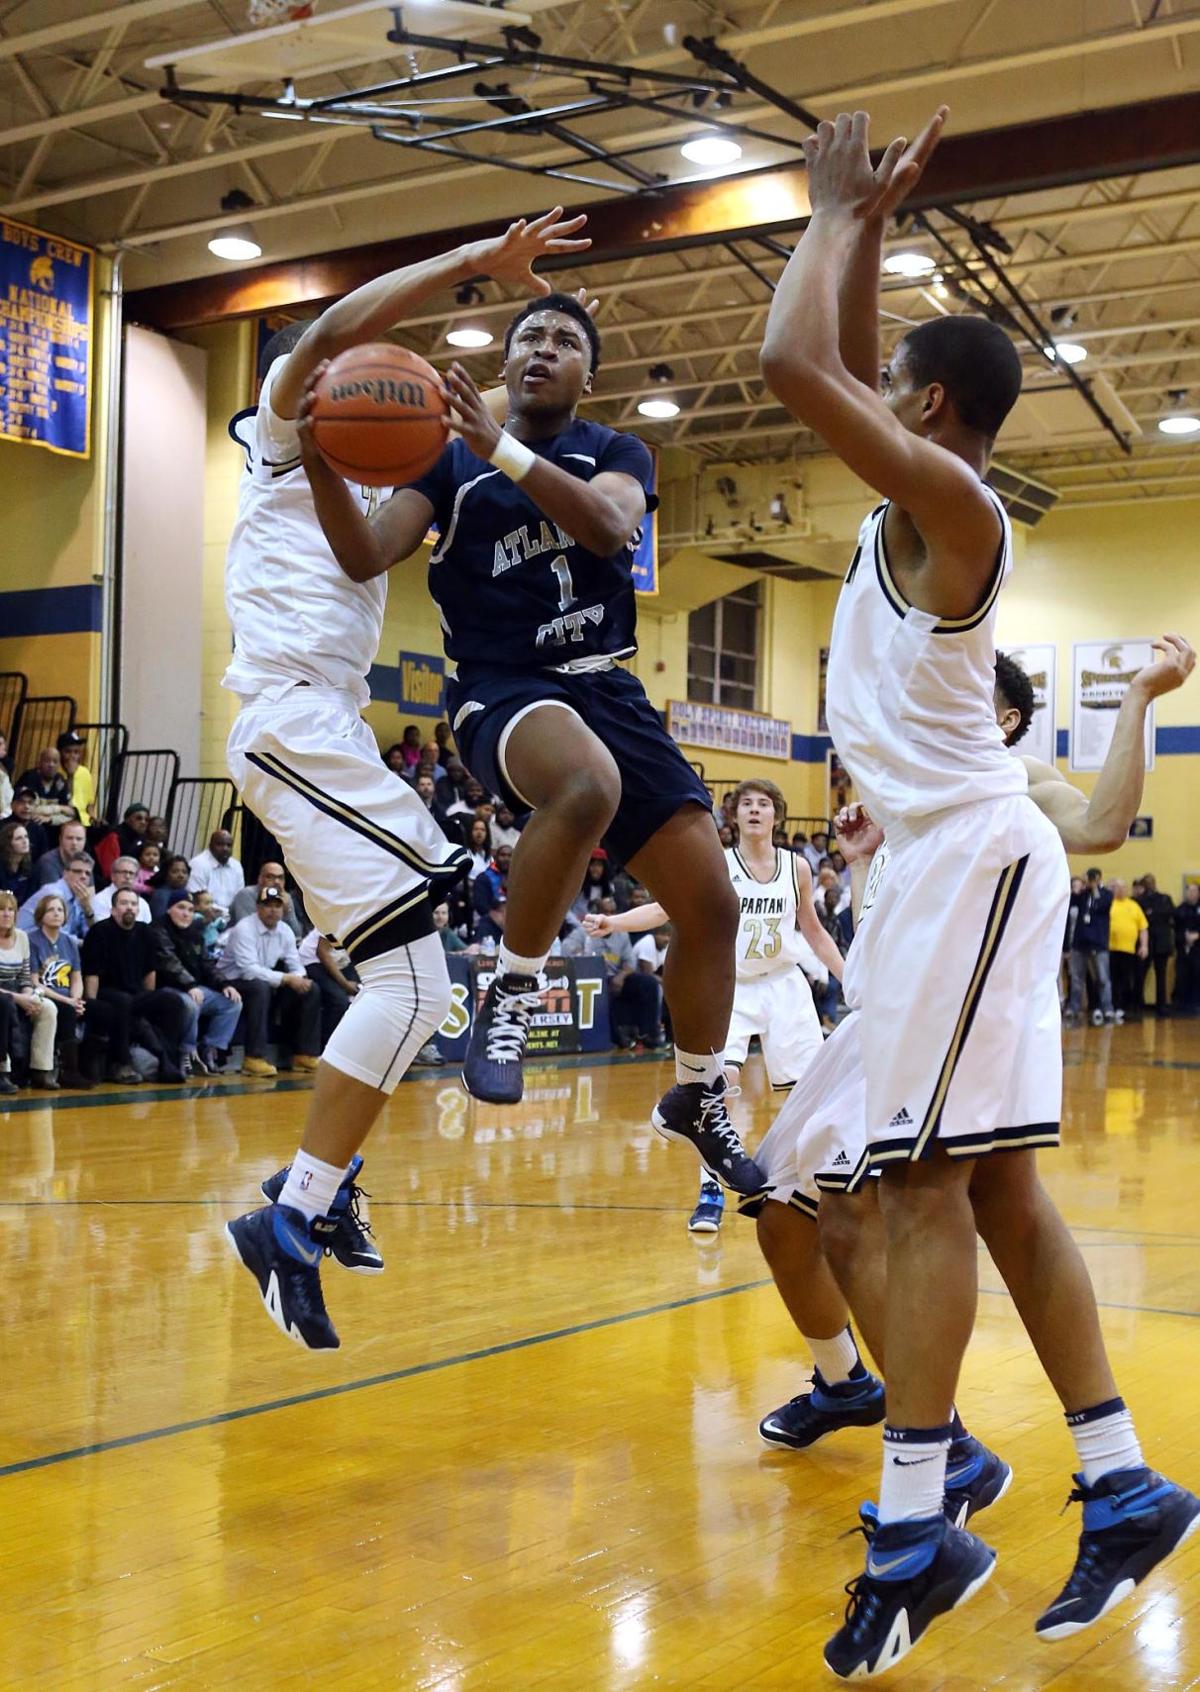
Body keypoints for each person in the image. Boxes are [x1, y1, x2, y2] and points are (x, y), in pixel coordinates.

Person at [759, 102, 1197, 1676]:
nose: (866, 396)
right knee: (986, 1189)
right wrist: (868, 228)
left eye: (894, 390)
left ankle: (914, 1523)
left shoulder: (961, 515)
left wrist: (814, 215)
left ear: (927, 408)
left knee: (921, 1192)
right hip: (937, 871)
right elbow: (853, 357)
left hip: (973, 858)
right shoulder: (906, 506)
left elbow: (793, 368)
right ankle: (1121, 1478)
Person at [218, 211, 591, 1348]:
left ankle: (307, 1204)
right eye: (338, 371)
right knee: (438, 896)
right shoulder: (285, 422)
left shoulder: (340, 477)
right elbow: (336, 326)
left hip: (325, 728)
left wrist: (458, 443)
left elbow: (358, 551)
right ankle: (292, 1213)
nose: (356, 376)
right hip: (291, 721)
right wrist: (473, 267)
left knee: (418, 991)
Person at [301, 288, 759, 1196]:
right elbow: (361, 555)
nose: (543, 349)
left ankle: (698, 1092)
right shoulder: (442, 464)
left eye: (564, 340)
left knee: (713, 908)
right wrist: (321, 453)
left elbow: (610, 526)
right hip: (504, 689)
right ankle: (510, 991)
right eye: (529, 338)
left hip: (607, 682)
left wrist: (499, 447)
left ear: (589, 372)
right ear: (506, 363)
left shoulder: (615, 452)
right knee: (584, 785)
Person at [591, 778, 845, 1233]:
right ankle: (710, 1189)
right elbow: (665, 908)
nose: (754, 810)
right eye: (745, 803)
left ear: (776, 815)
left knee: (810, 1092)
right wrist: (615, 922)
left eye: (763, 803)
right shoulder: (718, 864)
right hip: (731, 986)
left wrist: (852, 977)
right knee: (714, 1092)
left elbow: (813, 930)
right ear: (732, 815)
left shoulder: (797, 868)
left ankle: (807, 1187)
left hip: (784, 985)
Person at [80, 887, 189, 1083]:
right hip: (108, 993)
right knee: (123, 1001)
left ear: (138, 909)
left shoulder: (145, 932)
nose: (129, 908)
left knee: (172, 1001)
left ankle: (169, 1061)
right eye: (123, 903)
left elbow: (150, 973)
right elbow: (92, 974)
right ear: (113, 909)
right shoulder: (100, 931)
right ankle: (121, 1064)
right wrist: (91, 1004)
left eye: (133, 904)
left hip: (135, 994)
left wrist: (149, 1002)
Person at [217, 888, 321, 1077]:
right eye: (267, 905)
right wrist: (286, 978)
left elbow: (296, 964)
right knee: (260, 987)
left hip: (266, 979)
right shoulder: (244, 929)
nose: (273, 910)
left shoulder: (285, 930)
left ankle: (303, 1054)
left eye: (277, 906)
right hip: (232, 981)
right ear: (257, 907)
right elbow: (249, 970)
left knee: (310, 989)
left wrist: (298, 978)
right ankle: (253, 1058)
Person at [152, 889, 243, 1076]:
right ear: (169, 909)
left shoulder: (195, 932)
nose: (186, 914)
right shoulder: (159, 928)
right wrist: (190, 986)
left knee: (232, 1002)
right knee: (192, 1004)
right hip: (165, 988)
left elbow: (207, 963)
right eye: (181, 908)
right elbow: (169, 962)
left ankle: (209, 1049)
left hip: (192, 987)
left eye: (190, 910)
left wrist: (224, 984)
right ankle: (187, 1052)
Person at [26, 891, 90, 1087]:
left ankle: (94, 1068)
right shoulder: (31, 940)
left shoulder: (69, 942)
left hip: (68, 998)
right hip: (43, 995)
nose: (56, 913)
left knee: (99, 1010)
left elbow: (76, 977)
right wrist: (68, 1002)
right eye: (51, 910)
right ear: (41, 915)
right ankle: (68, 1071)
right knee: (66, 1012)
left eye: (60, 909)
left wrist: (77, 999)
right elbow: (35, 982)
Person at [0, 889, 59, 1087]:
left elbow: (25, 977)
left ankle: (41, 1071)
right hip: (3, 995)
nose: (7, 914)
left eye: (11, 909)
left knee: (48, 1007)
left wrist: (29, 997)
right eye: (1, 909)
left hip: (17, 990)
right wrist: (19, 999)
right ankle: (5, 1071)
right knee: (6, 1005)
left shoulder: (22, 937)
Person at [1068, 867, 1114, 1025]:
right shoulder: (1082, 895)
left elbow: (1102, 905)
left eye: (1092, 879)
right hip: (1080, 943)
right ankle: (1073, 1008)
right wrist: (1076, 889)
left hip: (1098, 943)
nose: (1089, 882)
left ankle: (1107, 1008)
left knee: (1102, 978)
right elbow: (1071, 902)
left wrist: (1094, 888)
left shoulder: (1107, 894)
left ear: (1099, 878)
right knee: (1076, 978)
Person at [17, 852, 95, 940]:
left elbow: (92, 932)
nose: (83, 876)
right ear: (65, 873)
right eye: (78, 871)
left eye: (87, 873)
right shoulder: (53, 893)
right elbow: (57, 934)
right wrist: (85, 944)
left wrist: (87, 908)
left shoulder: (81, 897)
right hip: (26, 943)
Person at [227, 860, 305, 939]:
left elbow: (297, 934)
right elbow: (248, 931)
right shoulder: (246, 894)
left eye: (280, 878)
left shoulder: (285, 897)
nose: (277, 882)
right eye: (270, 877)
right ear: (260, 879)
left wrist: (287, 910)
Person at [1107, 878, 1148, 1022]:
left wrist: (1144, 946)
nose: (1121, 890)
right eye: (1117, 887)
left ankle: (1122, 1007)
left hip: (1128, 950)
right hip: (1110, 949)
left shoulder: (1134, 905)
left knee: (1125, 980)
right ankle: (1110, 1006)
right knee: (1110, 978)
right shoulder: (1109, 903)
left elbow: (1143, 927)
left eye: (1123, 887)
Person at [1136, 873, 1176, 1017]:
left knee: (1161, 976)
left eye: (1151, 881)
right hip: (1145, 943)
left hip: (1162, 943)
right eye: (1147, 882)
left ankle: (1162, 1006)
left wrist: (1152, 913)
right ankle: (1138, 1004)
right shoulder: (1139, 900)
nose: (1150, 884)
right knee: (1140, 975)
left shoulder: (1165, 898)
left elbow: (1170, 913)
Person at [187, 828, 245, 920]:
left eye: (229, 845)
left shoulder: (236, 866)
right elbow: (197, 900)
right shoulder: (198, 864)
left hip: (230, 919)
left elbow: (239, 899)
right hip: (204, 917)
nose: (225, 848)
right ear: (210, 846)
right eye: (220, 844)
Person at [15, 746, 74, 831]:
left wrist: (50, 819)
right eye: (47, 761)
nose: (51, 765)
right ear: (39, 763)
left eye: (55, 762)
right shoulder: (29, 777)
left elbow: (71, 813)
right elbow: (27, 809)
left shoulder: (60, 781)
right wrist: (60, 808)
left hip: (53, 828)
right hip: (28, 826)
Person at [91, 857, 152, 924]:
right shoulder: (100, 900)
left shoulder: (143, 903)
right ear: (113, 876)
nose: (127, 877)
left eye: (131, 873)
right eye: (123, 872)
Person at [56, 730, 97, 827]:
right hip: (64, 819)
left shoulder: (84, 772)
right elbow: (66, 801)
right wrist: (70, 776)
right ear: (59, 752)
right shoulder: (56, 772)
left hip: (84, 821)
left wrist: (93, 818)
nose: (72, 756)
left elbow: (89, 804)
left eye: (76, 752)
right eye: (68, 752)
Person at [33, 818, 89, 887]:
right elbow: (52, 896)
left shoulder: (86, 859)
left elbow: (91, 893)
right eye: (69, 838)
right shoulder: (48, 862)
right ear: (60, 839)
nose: (74, 843)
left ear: (85, 841)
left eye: (79, 839)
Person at [2, 787, 48, 864]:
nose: (26, 806)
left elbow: (43, 859)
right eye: (21, 802)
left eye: (30, 803)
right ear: (12, 805)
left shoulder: (39, 829)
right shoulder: (2, 827)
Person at [1176, 884, 1200, 1012]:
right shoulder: (1180, 908)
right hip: (1183, 947)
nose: (1191, 893)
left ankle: (1197, 1003)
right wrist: (1184, 937)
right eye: (1189, 891)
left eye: (1194, 891)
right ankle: (1183, 1005)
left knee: (1197, 974)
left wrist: (1197, 935)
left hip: (1198, 948)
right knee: (1183, 975)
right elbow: (1176, 926)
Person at [0, 818, 34, 905]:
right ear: (8, 843)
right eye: (18, 838)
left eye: (26, 837)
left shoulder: (28, 867)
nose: (24, 841)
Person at [149, 854, 193, 921]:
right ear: (166, 874)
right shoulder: (161, 895)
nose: (181, 875)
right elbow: (159, 921)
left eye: (184, 872)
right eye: (175, 871)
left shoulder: (185, 893)